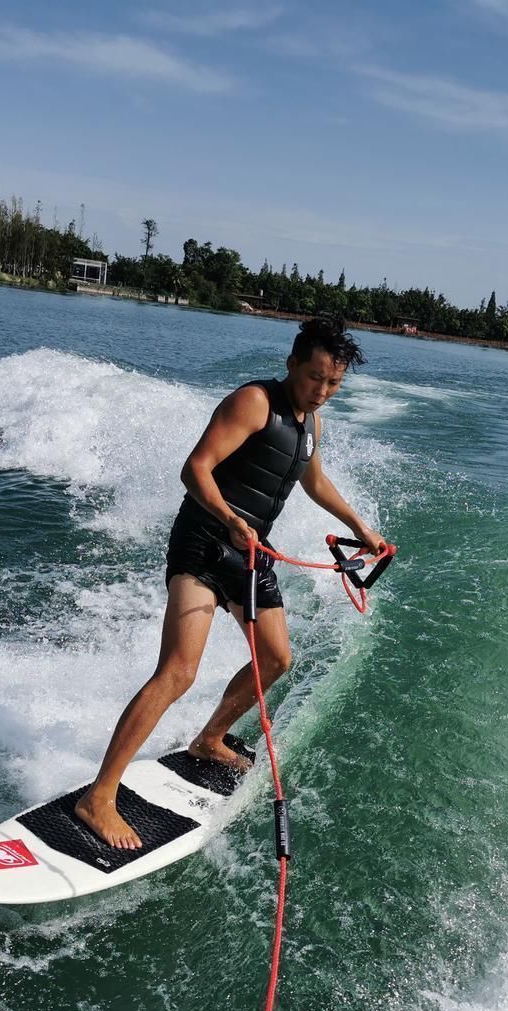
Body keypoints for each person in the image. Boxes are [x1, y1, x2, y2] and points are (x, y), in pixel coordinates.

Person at [74, 315, 388, 849]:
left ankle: (209, 738)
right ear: (292, 364)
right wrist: (230, 519)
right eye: (315, 377)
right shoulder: (253, 402)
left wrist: (357, 525)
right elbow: (195, 469)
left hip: (249, 554)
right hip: (204, 542)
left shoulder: (312, 425)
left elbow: (311, 479)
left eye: (334, 383)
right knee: (178, 671)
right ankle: (99, 797)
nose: (323, 391)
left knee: (276, 659)